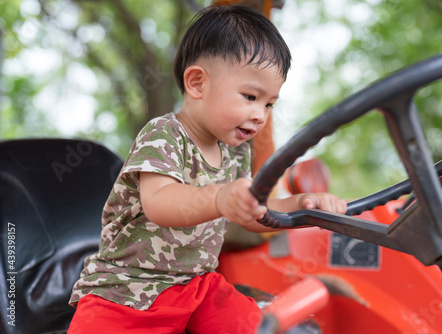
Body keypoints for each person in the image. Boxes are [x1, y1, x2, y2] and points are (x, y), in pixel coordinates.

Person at [68, 5, 346, 334]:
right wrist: (220, 196)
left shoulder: (235, 152)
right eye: (250, 96)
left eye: (269, 103)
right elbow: (159, 202)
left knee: (257, 326)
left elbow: (252, 211)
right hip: (127, 290)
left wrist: (300, 205)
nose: (260, 114)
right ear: (197, 83)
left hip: (197, 287)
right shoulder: (163, 135)